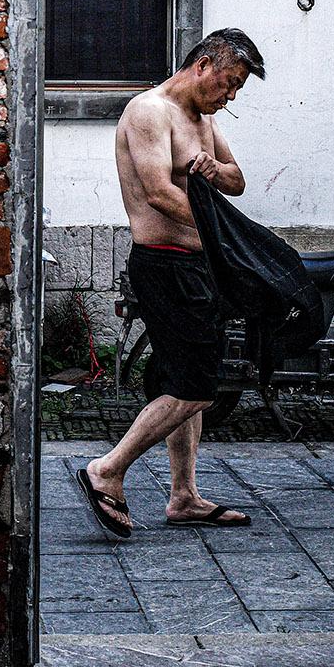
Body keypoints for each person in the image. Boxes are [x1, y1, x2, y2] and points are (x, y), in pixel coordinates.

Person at [75, 28, 265, 539]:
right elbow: (159, 192)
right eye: (228, 83)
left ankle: (183, 496)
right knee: (197, 386)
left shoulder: (202, 120)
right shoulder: (149, 112)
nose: (229, 97)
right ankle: (107, 470)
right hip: (163, 264)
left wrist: (214, 170)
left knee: (186, 376)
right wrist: (227, 239)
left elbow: (238, 181)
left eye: (237, 91)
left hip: (195, 267)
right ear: (203, 64)